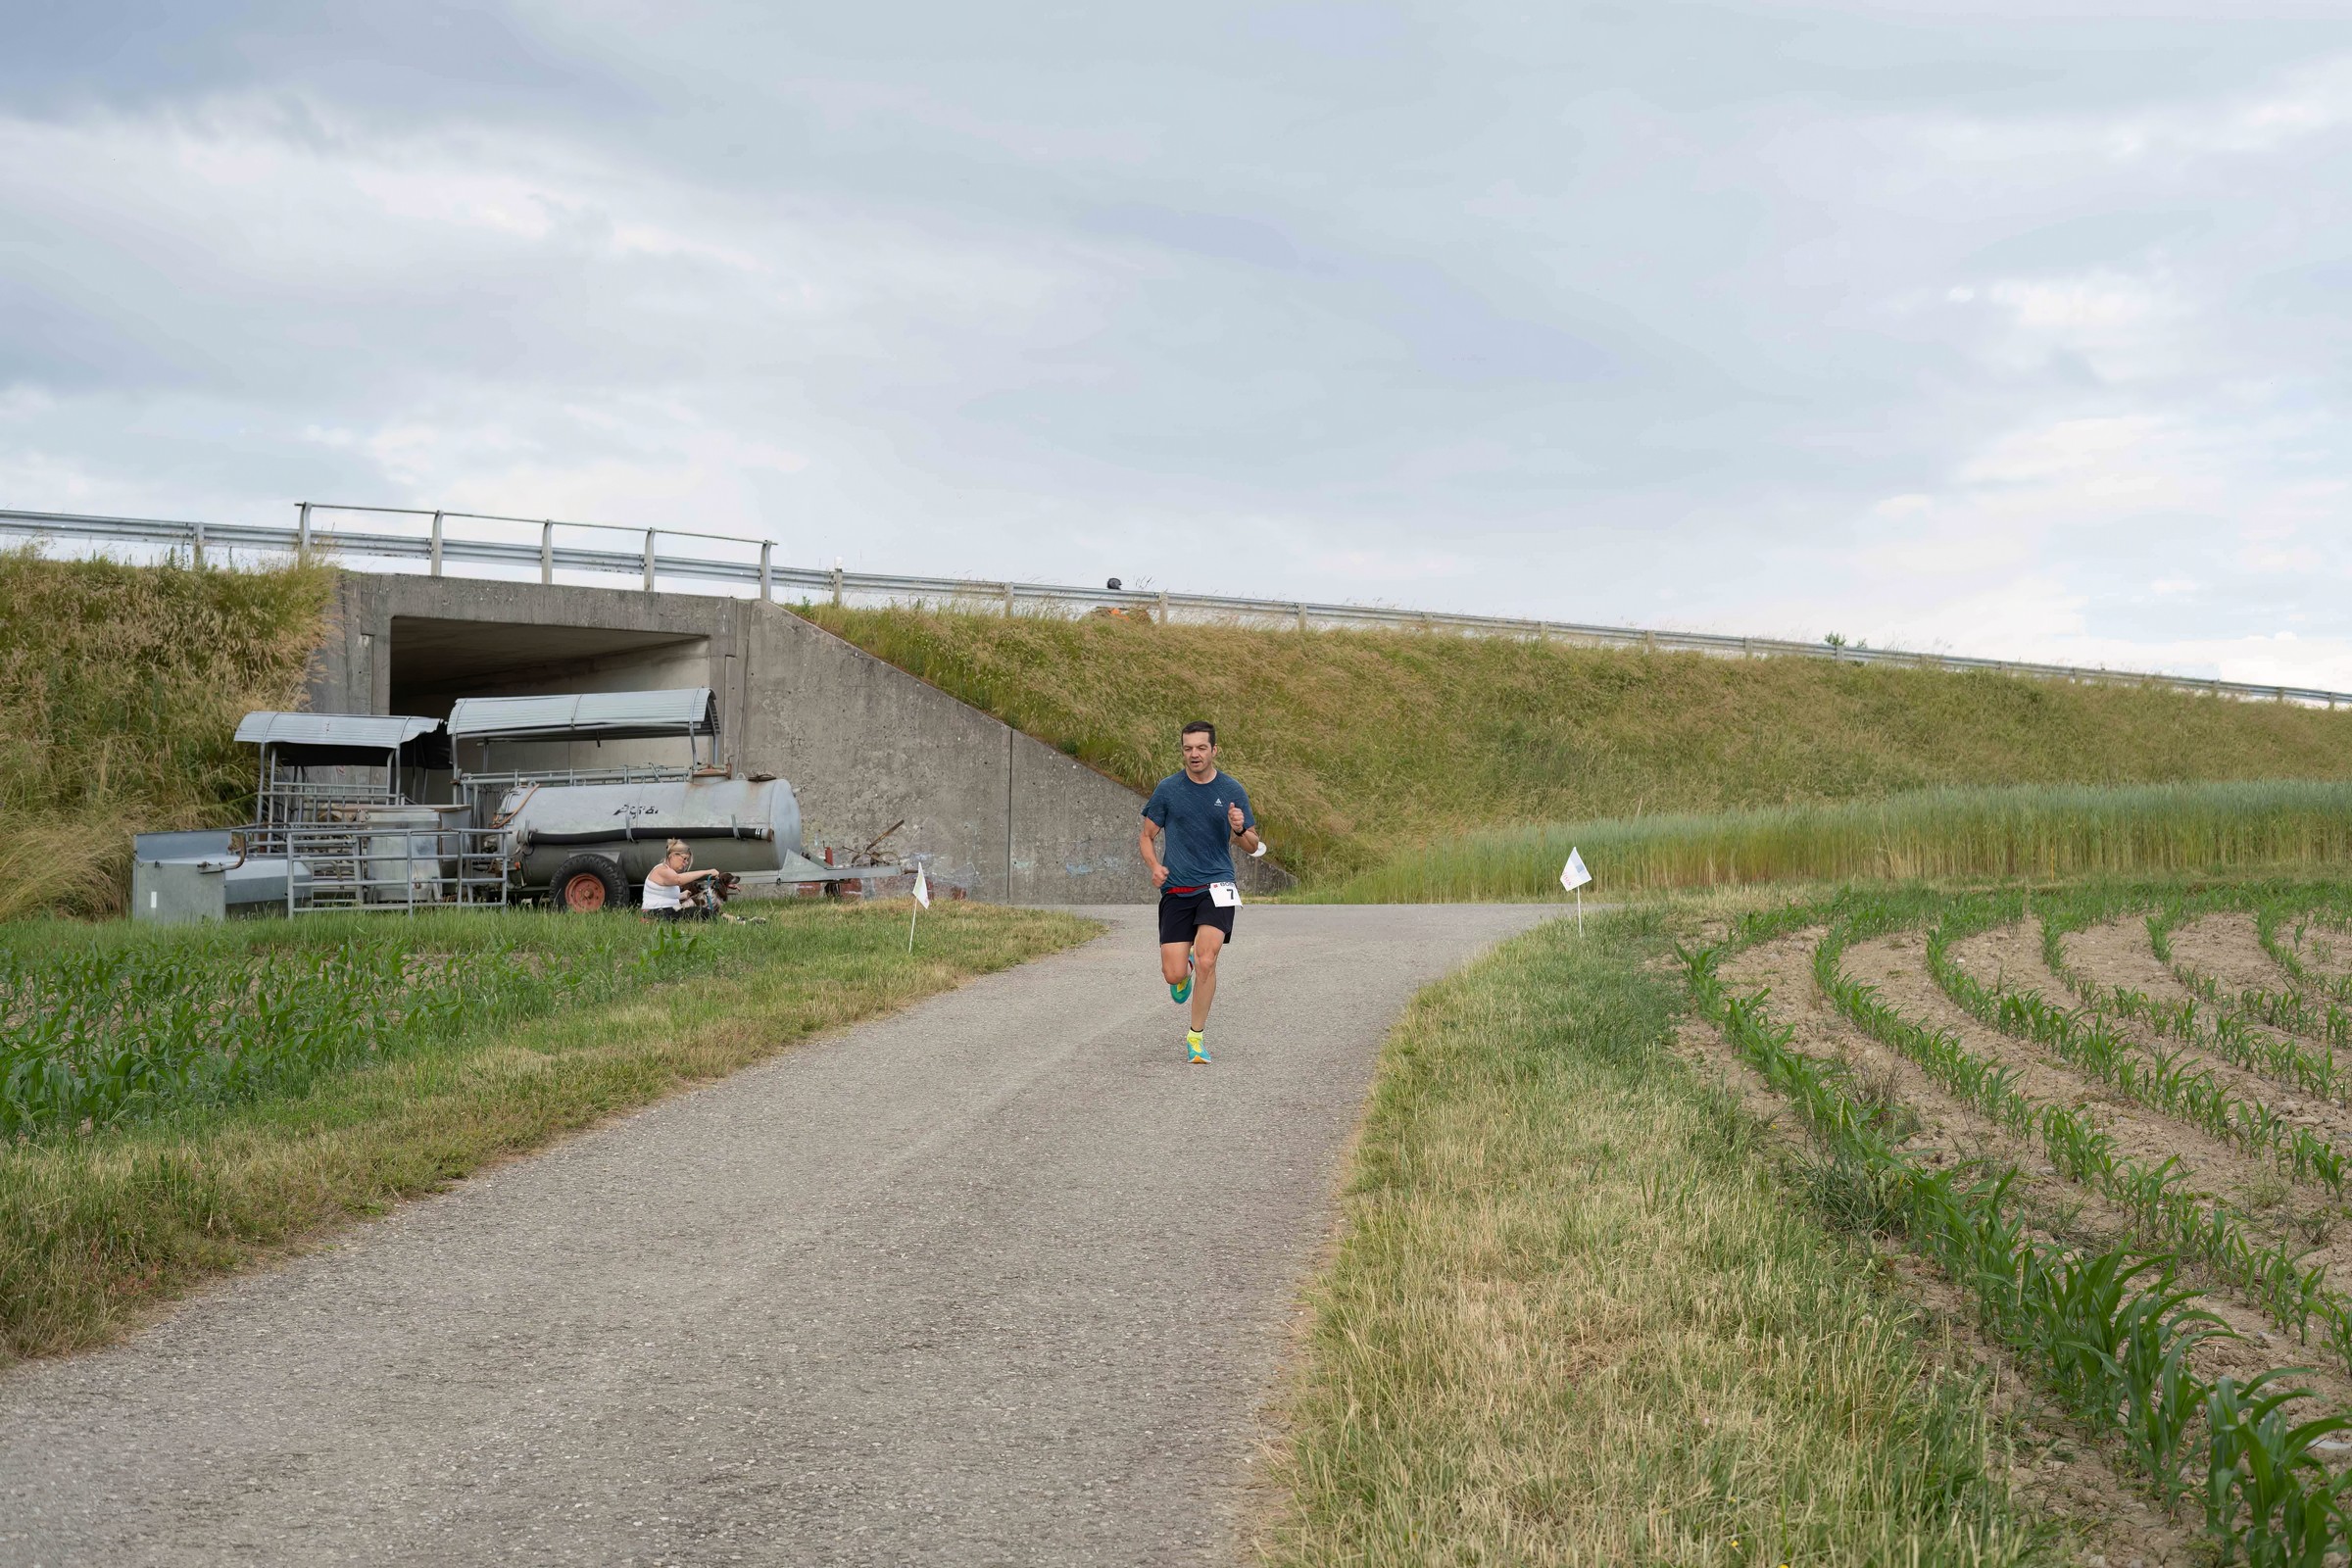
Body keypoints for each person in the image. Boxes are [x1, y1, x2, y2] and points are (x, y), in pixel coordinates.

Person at [1139, 720, 1258, 1064]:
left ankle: (1196, 1037)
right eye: (1188, 748)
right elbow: (1146, 835)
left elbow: (1253, 845)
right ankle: (1184, 968)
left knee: (1209, 959)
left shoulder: (1231, 789)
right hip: (1177, 888)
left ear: (1214, 750)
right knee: (1173, 973)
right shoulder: (1168, 789)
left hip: (1218, 884)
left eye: (1201, 748)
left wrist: (1239, 830)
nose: (1194, 754)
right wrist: (1154, 866)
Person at [643, 839, 723, 920]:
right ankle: (723, 918)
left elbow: (662, 894)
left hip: (664, 911)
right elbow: (679, 880)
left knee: (702, 909)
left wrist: (680, 896)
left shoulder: (668, 871)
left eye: (687, 860)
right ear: (673, 855)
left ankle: (722, 917)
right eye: (684, 859)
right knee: (702, 911)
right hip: (656, 912)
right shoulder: (661, 870)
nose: (686, 863)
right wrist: (707, 872)